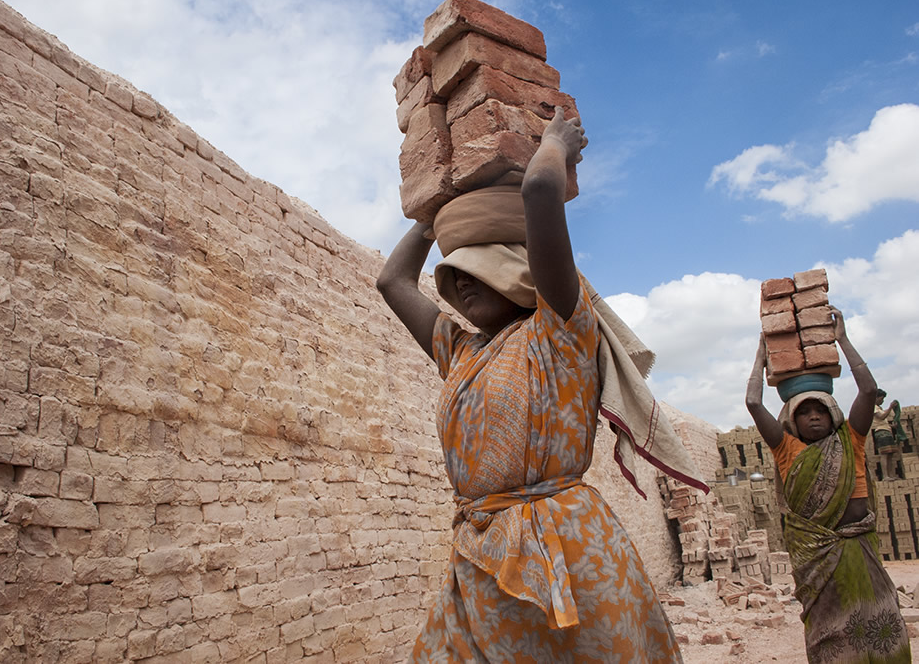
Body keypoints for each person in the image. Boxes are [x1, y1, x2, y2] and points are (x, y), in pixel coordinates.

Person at [378, 107, 705, 662]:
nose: (459, 280)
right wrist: (436, 213)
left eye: (479, 266)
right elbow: (392, 281)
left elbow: (539, 192)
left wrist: (554, 142)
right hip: (480, 554)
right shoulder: (461, 353)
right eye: (454, 274)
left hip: (566, 552)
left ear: (519, 269)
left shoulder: (561, 332)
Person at [745, 310, 910, 663]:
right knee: (830, 637)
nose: (814, 416)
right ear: (793, 418)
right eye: (805, 412)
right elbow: (754, 403)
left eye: (821, 409)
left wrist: (843, 340)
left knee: (882, 626)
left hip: (861, 551)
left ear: (833, 413)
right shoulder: (787, 450)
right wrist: (761, 358)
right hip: (819, 563)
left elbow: (868, 389)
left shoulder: (851, 440)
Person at [872, 389, 903, 480]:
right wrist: (890, 407)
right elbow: (881, 417)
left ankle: (891, 475)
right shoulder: (873, 407)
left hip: (887, 431)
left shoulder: (879, 408)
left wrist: (892, 426)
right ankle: (885, 476)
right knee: (884, 454)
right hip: (881, 433)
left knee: (890, 454)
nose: (882, 401)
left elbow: (883, 421)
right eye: (881, 399)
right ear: (876, 398)